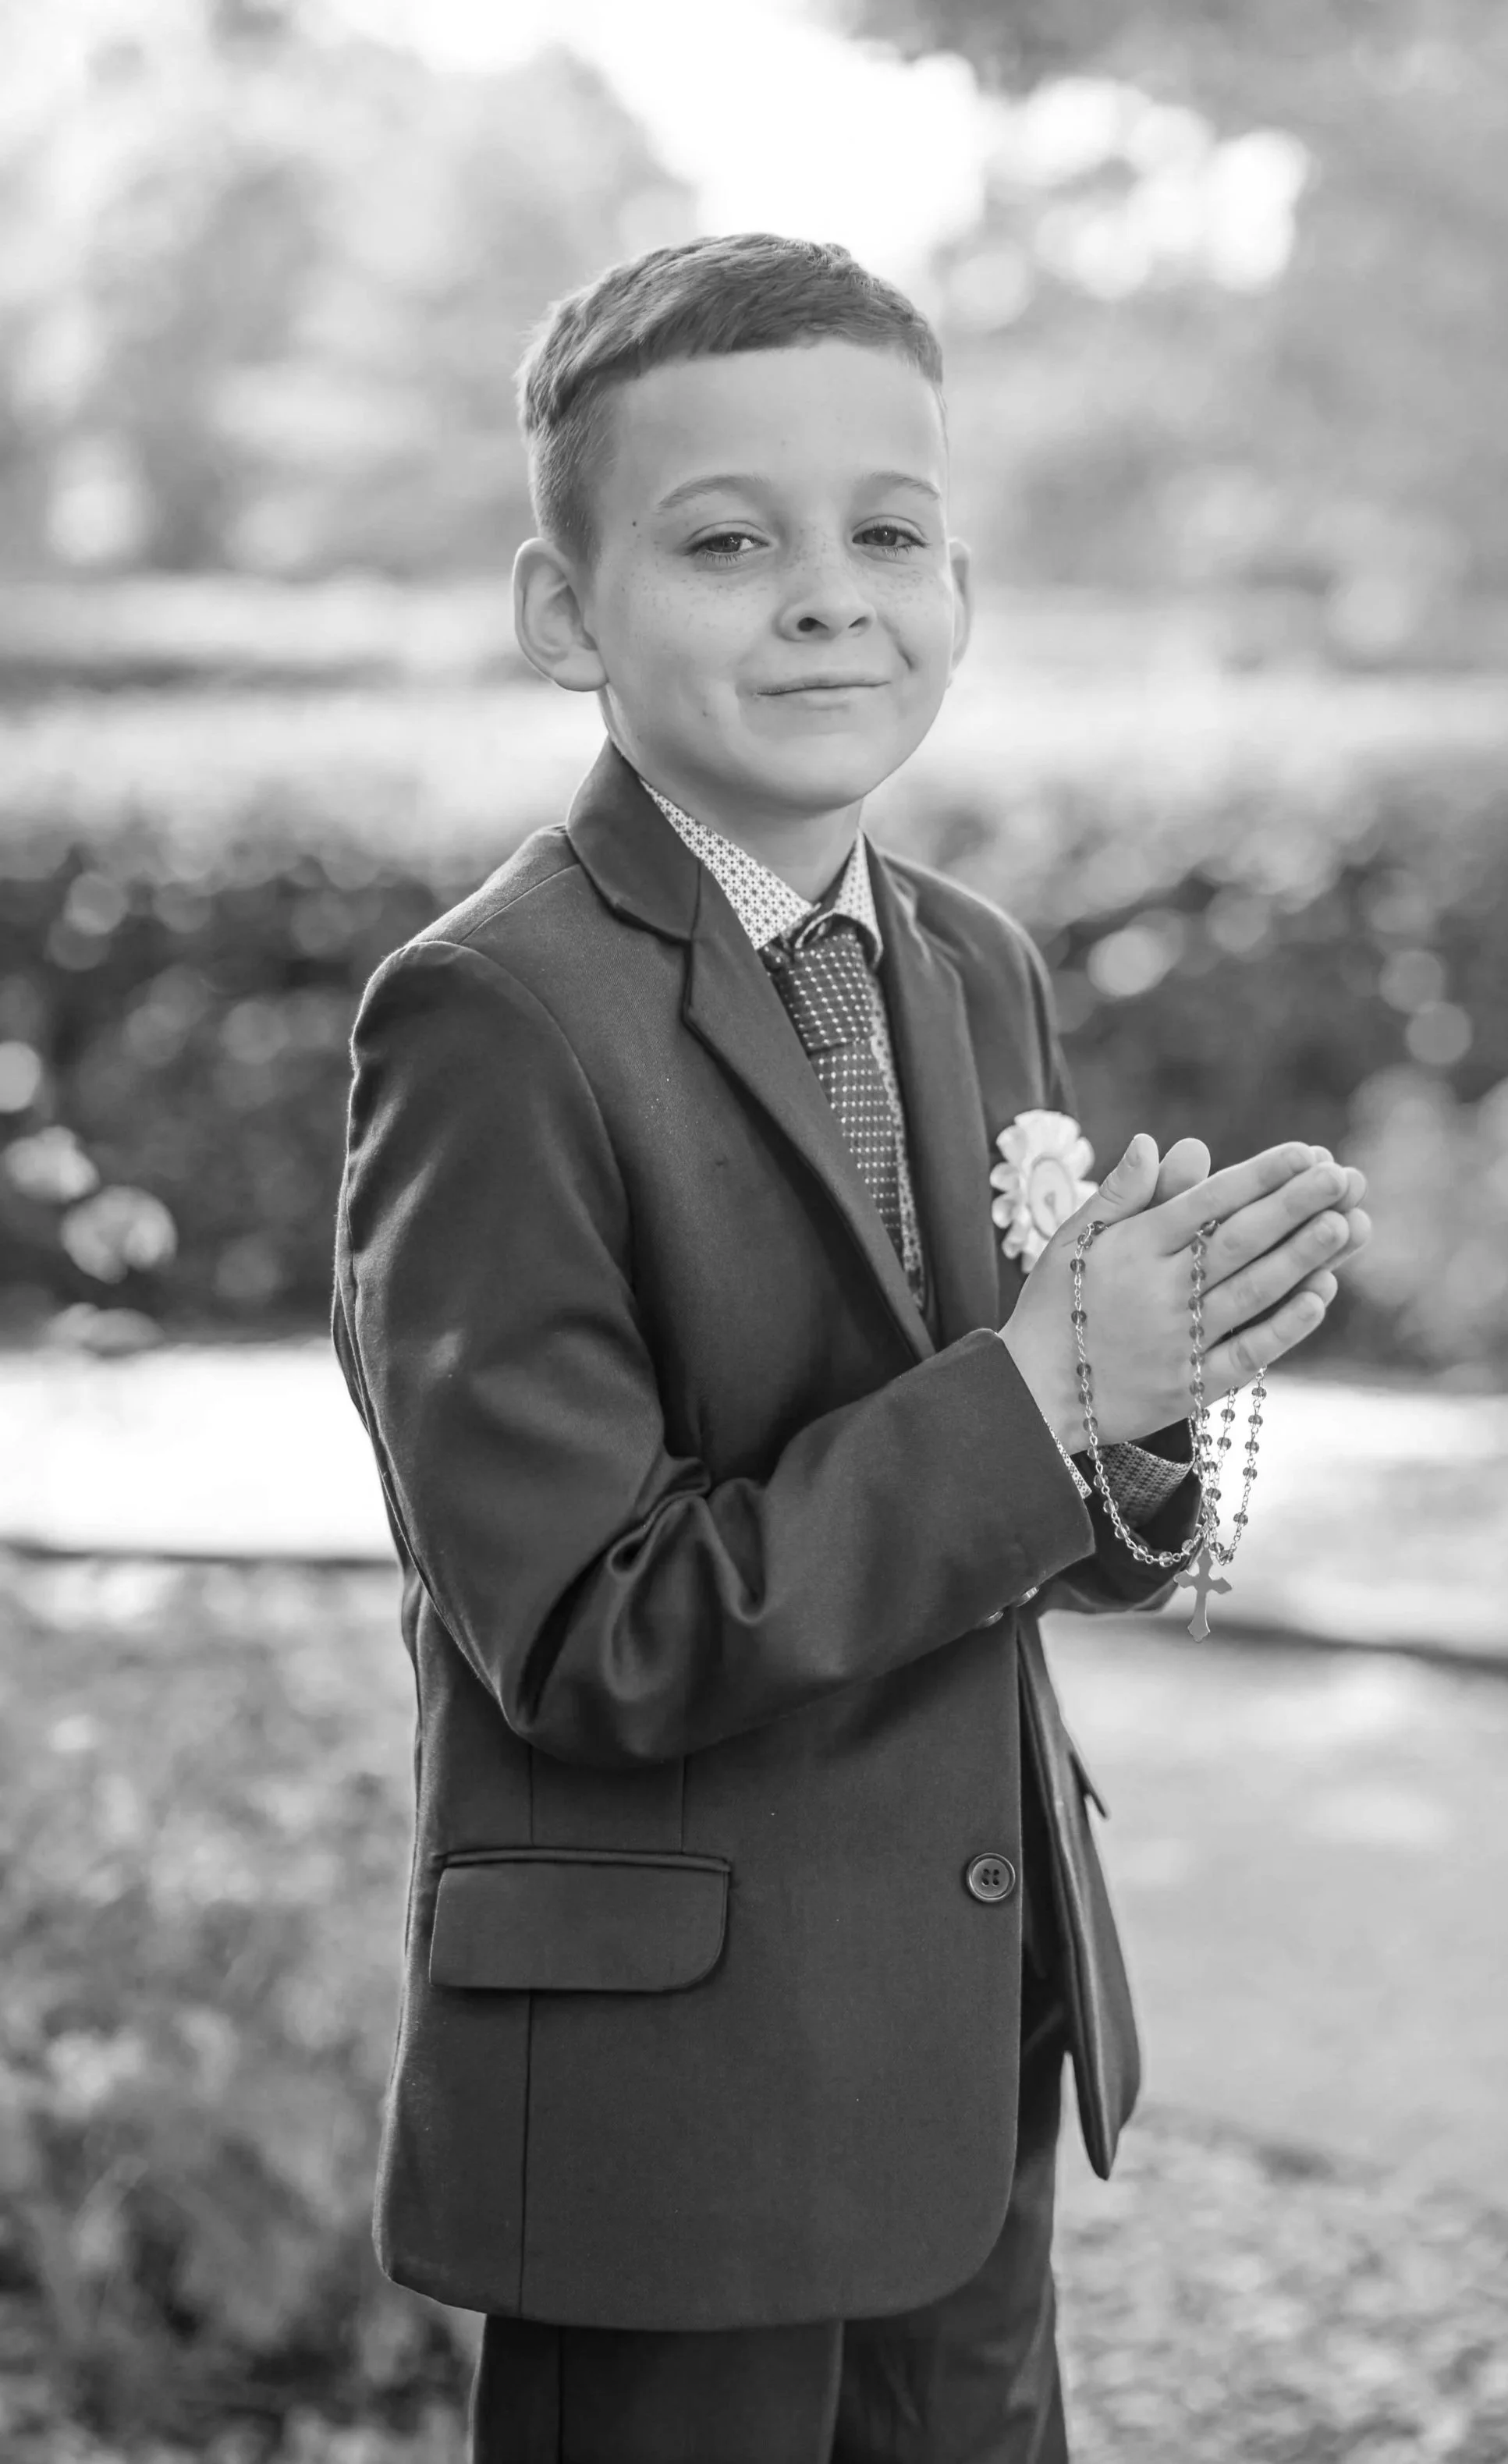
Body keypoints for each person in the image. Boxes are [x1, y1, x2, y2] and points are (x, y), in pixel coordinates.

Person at [332, 233, 1368, 2463]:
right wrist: (1035, 1389)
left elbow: (1024, 1499)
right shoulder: (495, 1017)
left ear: (961, 587)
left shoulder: (968, 962)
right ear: (561, 611)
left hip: (960, 2023)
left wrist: (1143, 1391)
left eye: (885, 532)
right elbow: (590, 1632)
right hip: (673, 2091)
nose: (827, 594)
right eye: (726, 541)